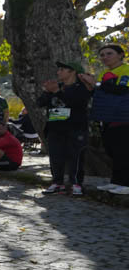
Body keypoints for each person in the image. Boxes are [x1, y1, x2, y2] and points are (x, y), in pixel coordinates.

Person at [37, 61, 93, 196]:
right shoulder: (56, 86)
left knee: (76, 157)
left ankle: (76, 184)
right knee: (56, 157)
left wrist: (56, 92)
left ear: (72, 71)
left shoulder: (81, 88)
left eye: (62, 69)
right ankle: (57, 183)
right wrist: (46, 92)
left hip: (75, 128)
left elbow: (74, 102)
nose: (58, 72)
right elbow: (40, 103)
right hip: (55, 128)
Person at [85, 43, 129, 194]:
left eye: (109, 53)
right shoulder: (105, 74)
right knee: (113, 151)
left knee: (124, 151)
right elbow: (102, 93)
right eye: (102, 55)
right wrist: (92, 88)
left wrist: (96, 84)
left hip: (124, 116)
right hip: (108, 118)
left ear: (121, 55)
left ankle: (126, 184)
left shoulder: (126, 69)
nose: (105, 57)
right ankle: (116, 182)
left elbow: (122, 90)